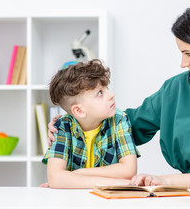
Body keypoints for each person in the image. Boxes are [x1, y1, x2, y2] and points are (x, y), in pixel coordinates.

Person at [48, 3, 190, 188]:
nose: (182, 63)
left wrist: (167, 181)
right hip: (181, 199)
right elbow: (127, 127)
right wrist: (74, 123)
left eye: (188, 54)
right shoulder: (174, 90)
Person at [42, 59, 139, 189]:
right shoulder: (62, 126)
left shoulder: (120, 120)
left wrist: (78, 174)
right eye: (100, 93)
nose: (111, 95)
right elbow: (55, 178)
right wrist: (113, 182)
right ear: (79, 111)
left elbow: (128, 170)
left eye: (106, 88)